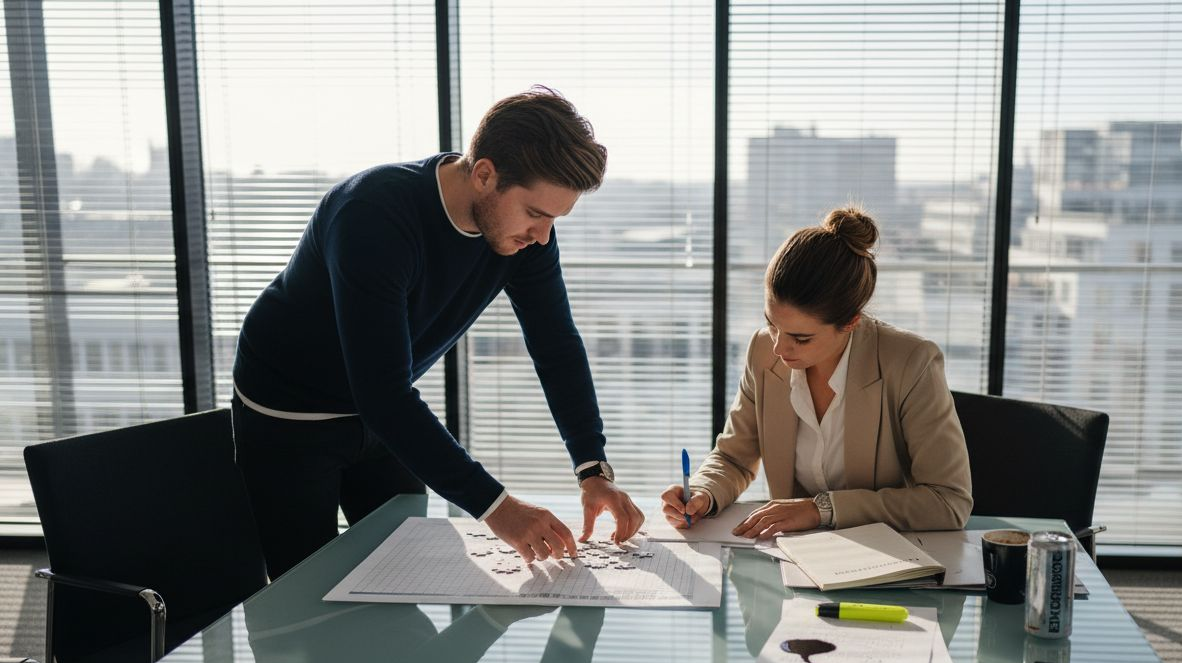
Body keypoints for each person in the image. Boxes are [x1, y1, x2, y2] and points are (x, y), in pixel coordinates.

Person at [231, 86, 643, 578]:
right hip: (289, 414)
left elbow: (556, 346)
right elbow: (381, 392)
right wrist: (498, 507)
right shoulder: (373, 214)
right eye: (536, 213)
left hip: (383, 412)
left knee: (403, 577)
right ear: (485, 174)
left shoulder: (525, 240)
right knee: (301, 593)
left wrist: (591, 468)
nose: (543, 236)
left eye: (554, 219)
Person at [661, 207, 971, 537]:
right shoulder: (763, 350)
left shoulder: (910, 362)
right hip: (793, 558)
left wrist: (822, 509)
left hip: (884, 561)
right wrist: (703, 494)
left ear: (851, 322)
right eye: (772, 324)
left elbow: (948, 501)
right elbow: (734, 458)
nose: (780, 348)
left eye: (801, 338)